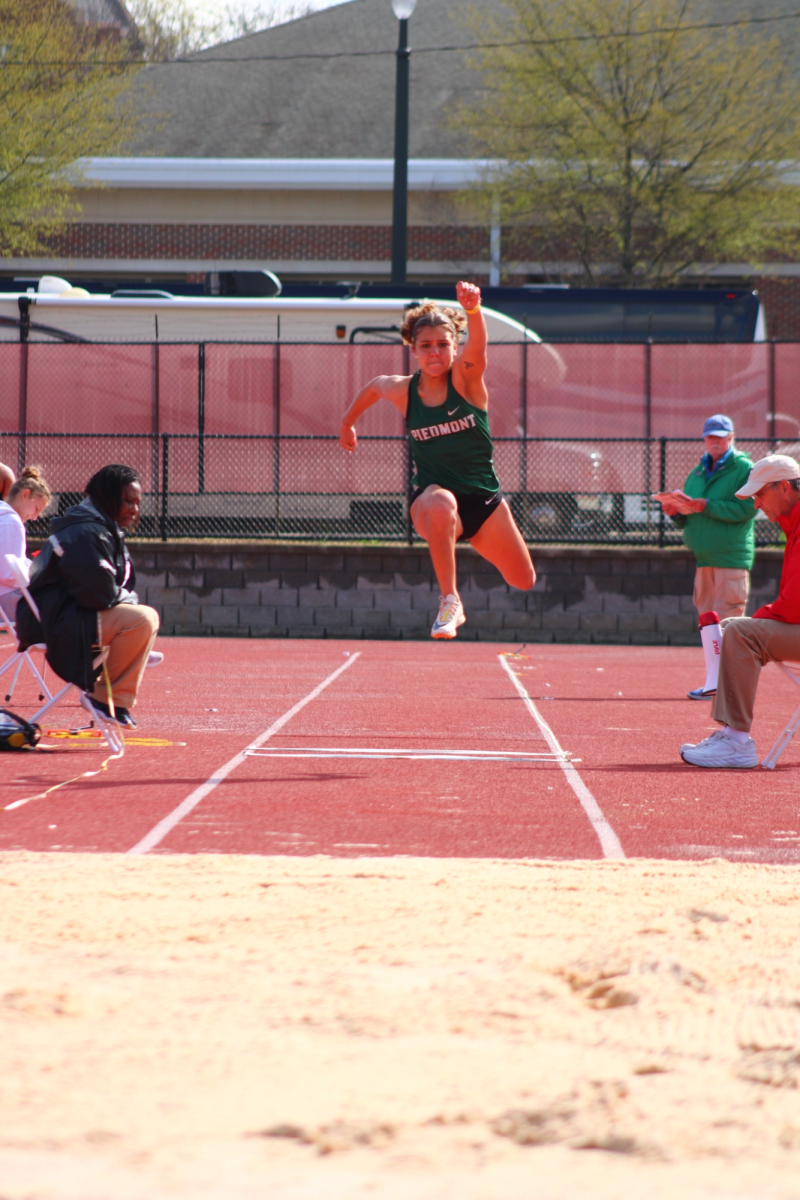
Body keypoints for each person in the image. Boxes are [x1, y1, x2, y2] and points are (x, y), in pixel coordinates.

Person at [339, 281, 535, 638]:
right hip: (430, 500)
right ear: (413, 349)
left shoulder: (466, 379)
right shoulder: (403, 390)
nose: (434, 353)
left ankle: (466, 535)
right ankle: (450, 600)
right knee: (442, 502)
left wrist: (473, 310)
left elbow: (479, 347)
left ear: (454, 347)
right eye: (425, 346)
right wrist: (347, 424)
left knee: (524, 579)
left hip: (482, 502)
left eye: (443, 345)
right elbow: (374, 387)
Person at [16, 464, 160, 729]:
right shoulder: (85, 531)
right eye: (128, 501)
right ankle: (104, 700)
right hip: (56, 621)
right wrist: (126, 599)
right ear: (107, 496)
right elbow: (98, 593)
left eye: (138, 503)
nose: (134, 509)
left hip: (70, 614)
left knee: (144, 618)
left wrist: (123, 597)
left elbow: (109, 588)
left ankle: (111, 698)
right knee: (141, 620)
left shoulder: (101, 527)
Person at [680, 454, 800, 769]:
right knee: (735, 625)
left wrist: (757, 619)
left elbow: (795, 604)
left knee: (740, 630)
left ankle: (736, 741)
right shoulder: (793, 522)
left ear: (784, 487)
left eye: (760, 494)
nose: (756, 504)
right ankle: (729, 732)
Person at [653, 414, 756, 699]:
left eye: (721, 436)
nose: (715, 441)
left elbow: (746, 510)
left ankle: (731, 687)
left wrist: (707, 505)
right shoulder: (697, 472)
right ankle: (715, 682)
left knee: (729, 623)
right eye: (710, 436)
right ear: (704, 439)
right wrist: (676, 513)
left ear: (731, 438)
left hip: (730, 559)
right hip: (704, 559)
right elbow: (691, 516)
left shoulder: (744, 468)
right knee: (709, 623)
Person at [0, 466, 51, 622]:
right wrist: (37, 576)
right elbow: (7, 573)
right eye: (36, 509)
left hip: (5, 595)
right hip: (6, 597)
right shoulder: (11, 521)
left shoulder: (5, 515)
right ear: (25, 494)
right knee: (61, 607)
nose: (35, 517)